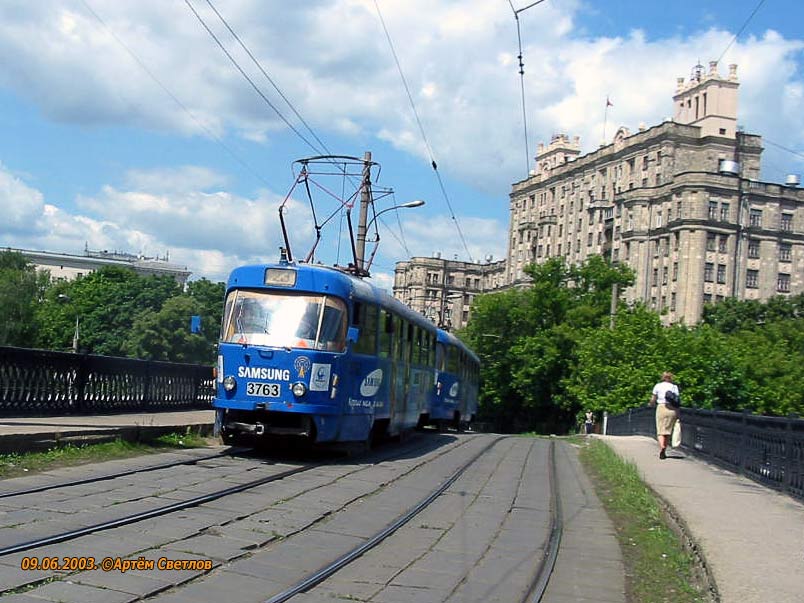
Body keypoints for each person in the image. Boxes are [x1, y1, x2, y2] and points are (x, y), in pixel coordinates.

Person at [650, 371, 679, 459]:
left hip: (661, 407)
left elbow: (653, 399)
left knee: (660, 430)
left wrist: (651, 404)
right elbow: (677, 400)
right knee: (668, 431)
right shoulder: (674, 387)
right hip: (672, 409)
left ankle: (662, 447)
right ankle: (664, 450)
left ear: (662, 377)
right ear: (671, 378)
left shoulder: (658, 386)